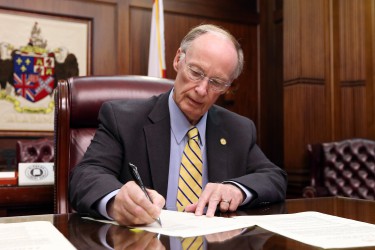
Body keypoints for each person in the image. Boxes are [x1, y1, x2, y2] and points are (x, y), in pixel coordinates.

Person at [69, 24, 287, 226]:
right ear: (177, 60)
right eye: (195, 72)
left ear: (227, 87)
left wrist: (236, 189)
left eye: (217, 83)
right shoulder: (122, 119)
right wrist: (116, 200)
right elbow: (85, 175)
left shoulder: (238, 129)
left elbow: (274, 178)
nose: (201, 90)